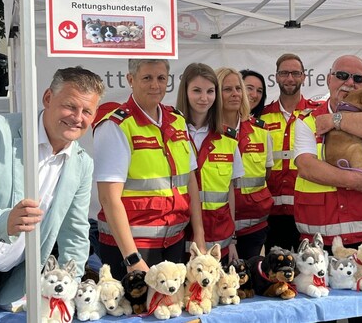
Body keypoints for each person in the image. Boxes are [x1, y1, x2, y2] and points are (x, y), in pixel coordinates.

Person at [0, 67, 104, 321]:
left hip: (7, 289)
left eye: (87, 111)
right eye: (70, 106)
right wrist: (2, 221)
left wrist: (70, 289)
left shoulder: (82, 163)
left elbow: (75, 233)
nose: (78, 117)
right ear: (48, 98)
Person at [294, 55, 362, 323]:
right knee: (324, 311)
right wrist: (354, 180)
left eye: (358, 79)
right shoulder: (307, 121)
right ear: (329, 78)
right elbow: (307, 166)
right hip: (328, 235)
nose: (349, 83)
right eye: (342, 76)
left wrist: (335, 120)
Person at [93, 59, 204, 280]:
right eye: (147, 78)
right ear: (131, 80)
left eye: (161, 78)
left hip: (174, 242)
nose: (155, 85)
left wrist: (199, 236)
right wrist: (132, 258)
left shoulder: (176, 120)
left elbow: (190, 181)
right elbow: (108, 198)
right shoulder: (116, 126)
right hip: (132, 249)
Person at [176, 63, 244, 263]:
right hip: (179, 237)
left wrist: (232, 240)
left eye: (210, 91)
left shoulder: (228, 139)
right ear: (185, 92)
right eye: (197, 91)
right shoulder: (173, 133)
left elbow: (229, 190)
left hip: (218, 239)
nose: (204, 98)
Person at [260, 53, 321, 252]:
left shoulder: (316, 114)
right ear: (276, 77)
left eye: (295, 73)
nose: (290, 79)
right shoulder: (262, 116)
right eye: (284, 73)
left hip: (306, 208)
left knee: (309, 270)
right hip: (272, 212)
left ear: (304, 77)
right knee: (276, 274)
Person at [218, 67, 274, 260]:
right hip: (217, 226)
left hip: (253, 226)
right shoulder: (206, 132)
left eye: (238, 88)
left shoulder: (261, 131)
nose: (235, 94)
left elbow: (266, 174)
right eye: (227, 89)